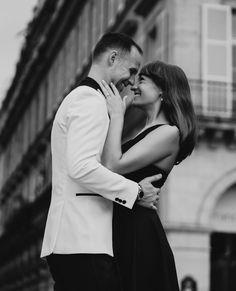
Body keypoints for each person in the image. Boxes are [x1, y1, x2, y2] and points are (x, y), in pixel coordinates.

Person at [40, 33, 162, 291]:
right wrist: (136, 191)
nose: (131, 81)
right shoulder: (89, 100)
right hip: (83, 241)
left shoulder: (86, 99)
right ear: (113, 57)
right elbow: (82, 166)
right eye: (131, 70)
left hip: (77, 241)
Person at [99, 60, 198, 291]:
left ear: (162, 89)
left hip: (138, 233)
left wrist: (116, 116)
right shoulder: (145, 131)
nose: (134, 85)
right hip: (125, 226)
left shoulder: (169, 132)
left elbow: (112, 166)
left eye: (142, 80)